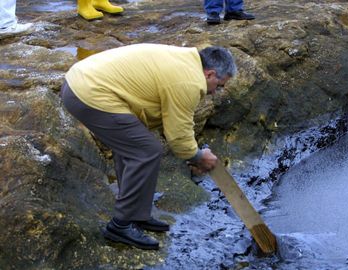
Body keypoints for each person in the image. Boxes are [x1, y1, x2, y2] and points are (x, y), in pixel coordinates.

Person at [61, 43, 236, 250]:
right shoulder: (188, 81)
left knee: (135, 145)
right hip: (88, 93)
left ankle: (137, 214)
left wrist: (193, 155)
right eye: (220, 85)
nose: (216, 93)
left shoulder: (186, 61)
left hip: (83, 82)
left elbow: (172, 123)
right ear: (210, 74)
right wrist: (198, 156)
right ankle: (120, 225)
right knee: (146, 151)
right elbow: (179, 136)